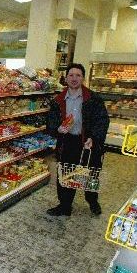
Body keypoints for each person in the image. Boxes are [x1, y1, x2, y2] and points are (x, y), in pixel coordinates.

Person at [46, 63, 109, 217]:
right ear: (66, 78)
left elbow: (102, 120)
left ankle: (92, 201)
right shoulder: (58, 100)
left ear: (83, 78)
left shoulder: (93, 99)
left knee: (91, 174)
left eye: (78, 75)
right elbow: (51, 122)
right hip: (67, 142)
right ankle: (65, 206)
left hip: (87, 143)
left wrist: (94, 137)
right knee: (65, 174)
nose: (74, 78)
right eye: (71, 75)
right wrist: (57, 129)